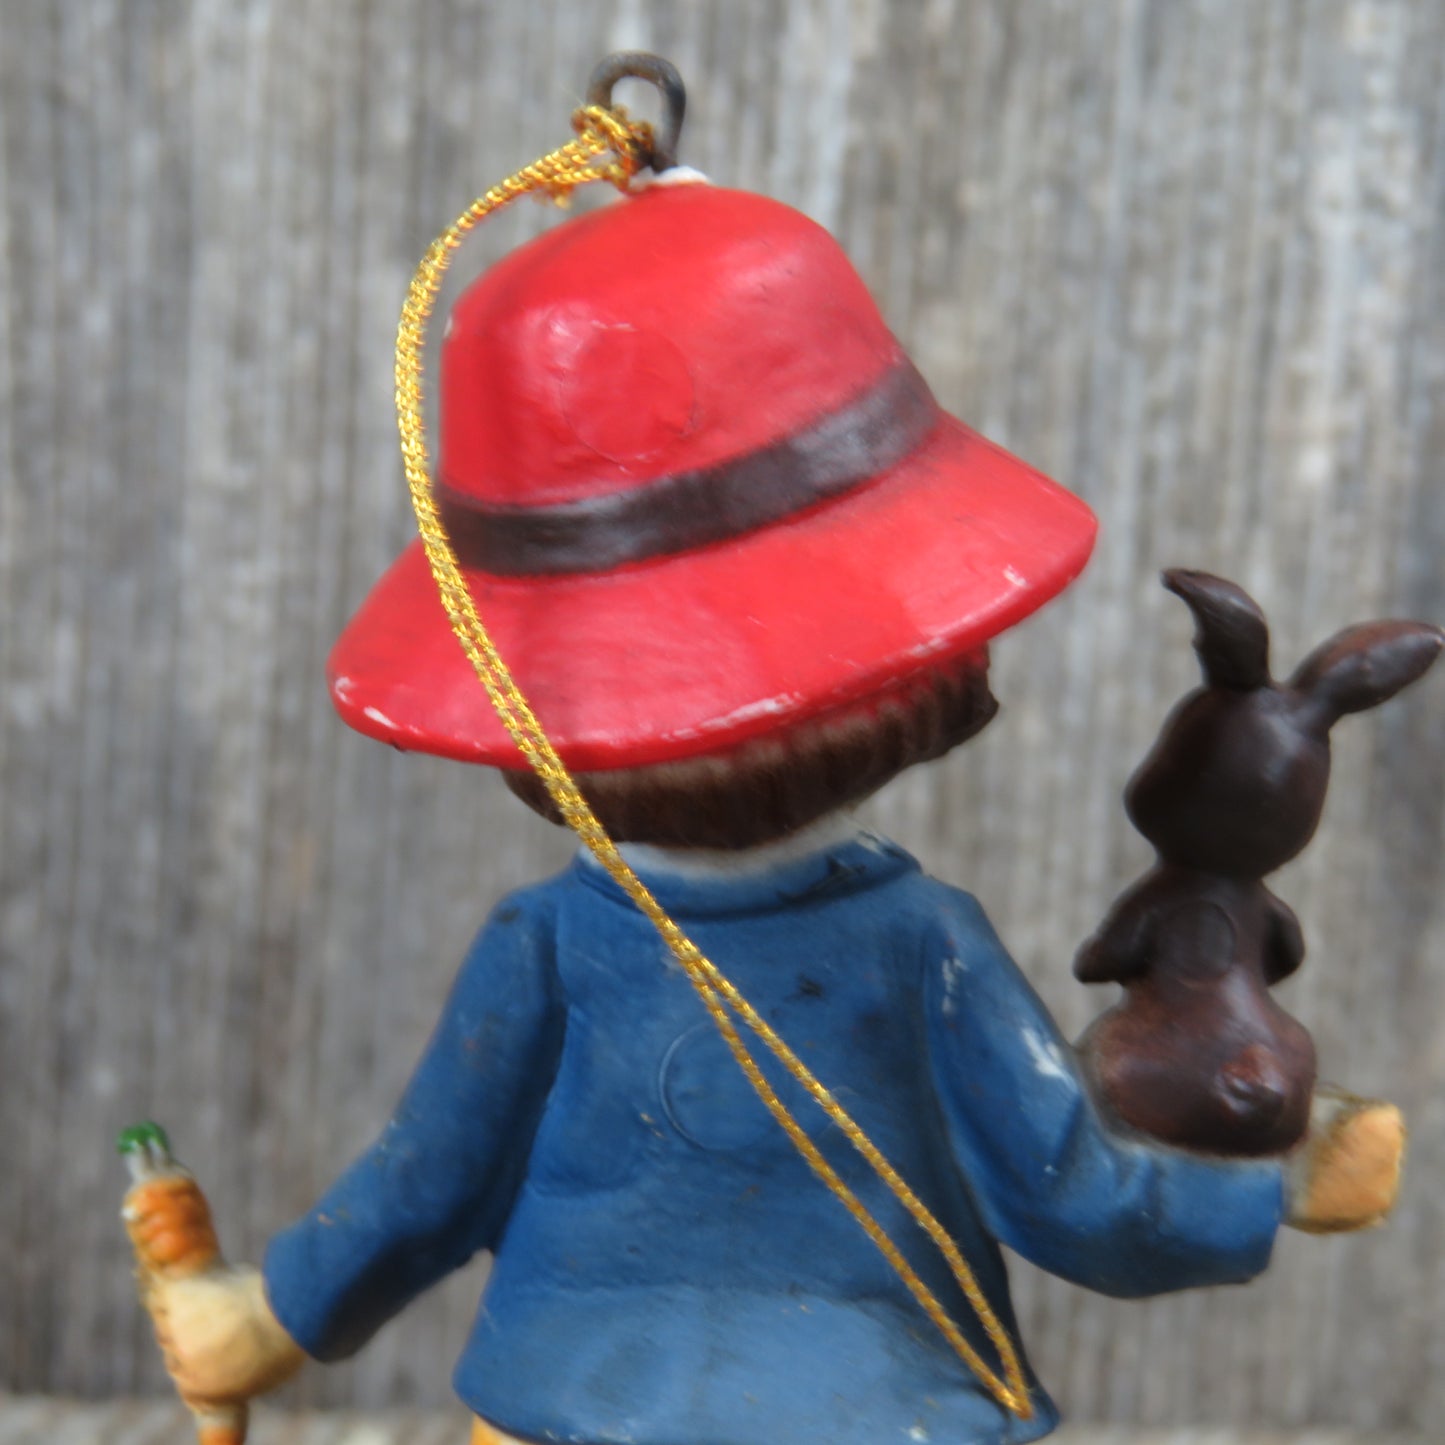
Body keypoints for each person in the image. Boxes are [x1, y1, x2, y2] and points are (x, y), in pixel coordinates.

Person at [146, 175, 1403, 1445]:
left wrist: (256, 1319)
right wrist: (1277, 1186)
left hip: (572, 1413)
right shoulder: (926, 942)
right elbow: (1066, 1190)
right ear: (914, 670)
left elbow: (420, 1189)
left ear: (509, 710)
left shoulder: (553, 946)